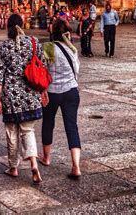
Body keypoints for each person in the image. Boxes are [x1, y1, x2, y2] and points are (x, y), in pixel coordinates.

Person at [0, 14, 44, 184]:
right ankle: (33, 164)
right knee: (28, 131)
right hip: (30, 95)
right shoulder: (34, 43)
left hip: (10, 96)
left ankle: (13, 167)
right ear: (22, 25)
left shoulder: (3, 47)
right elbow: (42, 66)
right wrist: (44, 91)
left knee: (11, 132)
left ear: (8, 28)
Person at [40, 19, 82, 179]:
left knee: (48, 123)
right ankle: (76, 166)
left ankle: (47, 158)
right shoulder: (71, 49)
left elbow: (43, 70)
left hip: (52, 92)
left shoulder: (48, 47)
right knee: (72, 126)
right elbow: (76, 69)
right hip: (71, 90)